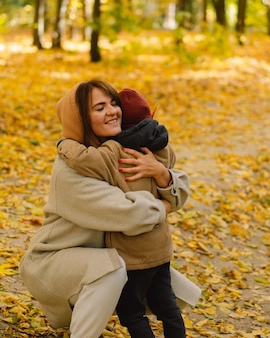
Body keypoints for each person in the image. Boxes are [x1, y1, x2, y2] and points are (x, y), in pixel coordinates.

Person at [19, 80, 195, 338]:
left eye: (114, 103)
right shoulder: (71, 168)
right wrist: (167, 204)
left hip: (98, 257)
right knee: (112, 270)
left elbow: (181, 185)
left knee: (156, 280)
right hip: (53, 261)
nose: (112, 111)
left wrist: (161, 173)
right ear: (81, 119)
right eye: (99, 107)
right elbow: (133, 214)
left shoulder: (121, 151)